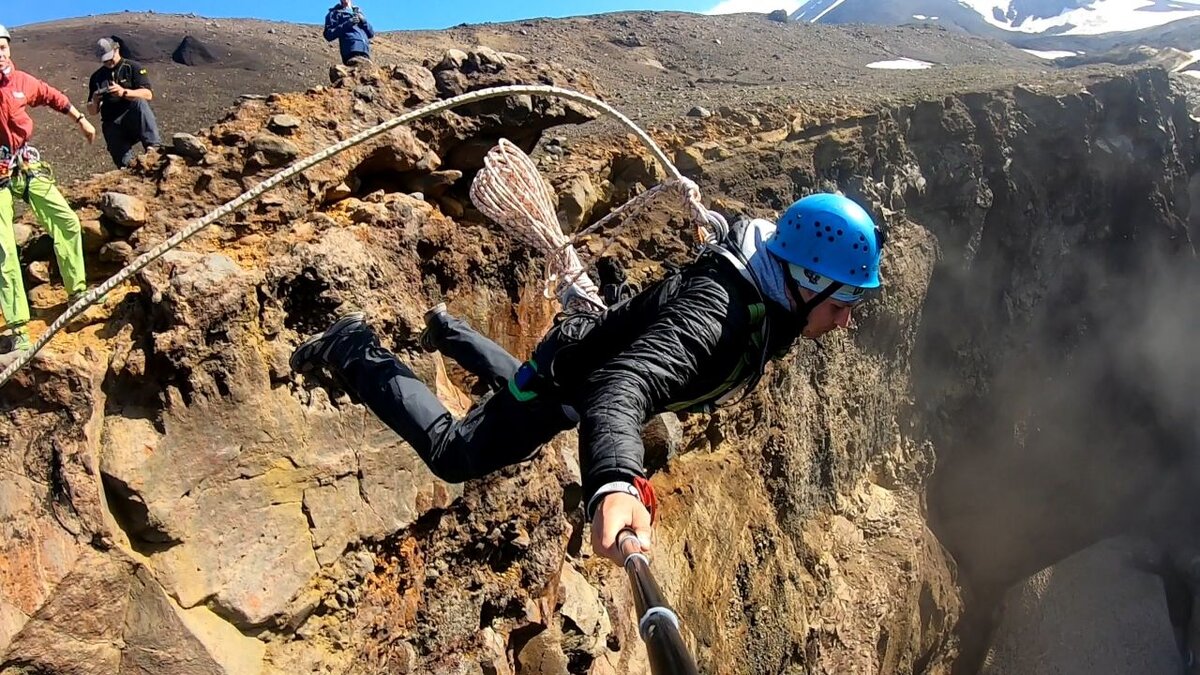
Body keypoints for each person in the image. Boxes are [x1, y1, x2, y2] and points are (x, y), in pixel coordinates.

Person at [290, 193, 885, 565]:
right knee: (458, 451)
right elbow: (624, 383)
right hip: (575, 379)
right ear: (807, 280)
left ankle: (448, 329)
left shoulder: (766, 290)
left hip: (577, 369)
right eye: (843, 303)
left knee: (530, 394)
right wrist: (616, 480)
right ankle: (355, 347)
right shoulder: (721, 313)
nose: (847, 319)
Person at [0, 24, 96, 354]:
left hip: (25, 164)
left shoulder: (22, 82)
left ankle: (77, 294)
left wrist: (80, 120)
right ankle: (17, 329)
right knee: (3, 249)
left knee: (66, 220)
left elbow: (52, 96)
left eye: (2, 47)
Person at [87, 36, 161, 168]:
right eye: (105, 60)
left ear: (117, 49)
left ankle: (153, 148)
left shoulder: (133, 67)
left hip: (133, 117)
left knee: (140, 103)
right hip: (112, 123)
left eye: (110, 57)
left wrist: (124, 92)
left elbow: (148, 94)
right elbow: (92, 112)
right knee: (125, 165)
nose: (108, 62)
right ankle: (129, 169)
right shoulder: (97, 77)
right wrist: (95, 100)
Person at [323, 0, 375, 66]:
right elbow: (329, 35)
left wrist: (364, 22)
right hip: (351, 52)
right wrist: (348, 24)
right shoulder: (334, 13)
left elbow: (371, 34)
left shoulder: (358, 12)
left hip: (365, 52)